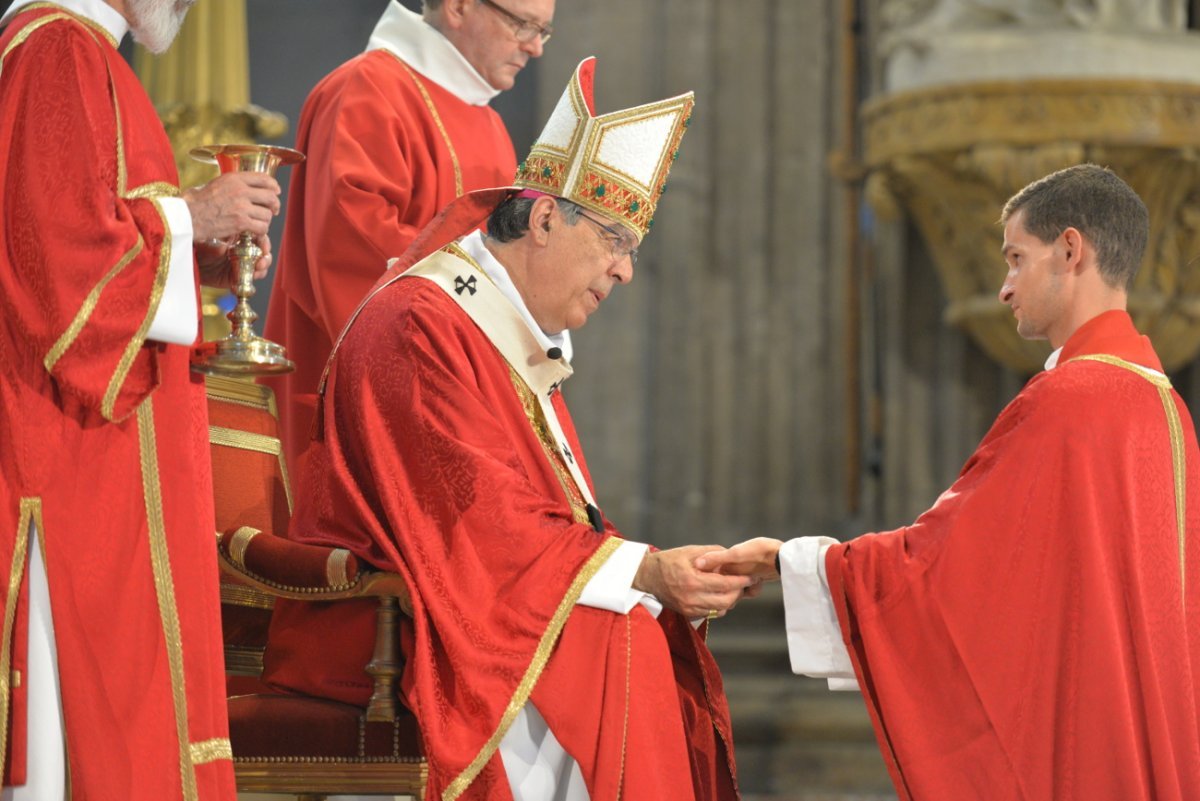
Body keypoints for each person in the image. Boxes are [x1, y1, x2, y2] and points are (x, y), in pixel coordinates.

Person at [261, 58, 748, 801]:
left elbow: (540, 522)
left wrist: (642, 575)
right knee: (621, 640)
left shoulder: (496, 332)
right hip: (387, 628)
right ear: (548, 217)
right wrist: (643, 570)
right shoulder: (421, 323)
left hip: (461, 600)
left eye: (633, 251)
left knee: (641, 631)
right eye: (616, 240)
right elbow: (474, 518)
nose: (624, 273)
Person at [697, 164, 1200, 800]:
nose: (1005, 288)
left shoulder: (1071, 398)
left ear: (1071, 250)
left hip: (1087, 757)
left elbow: (939, 571)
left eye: (1016, 259)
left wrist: (787, 560)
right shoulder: (1162, 405)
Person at [0, 0, 282, 798]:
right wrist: (192, 215)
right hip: (72, 458)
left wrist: (206, 259)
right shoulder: (57, 50)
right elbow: (55, 259)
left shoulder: (95, 58)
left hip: (113, 454)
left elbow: (109, 236)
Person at [264, 0, 552, 471]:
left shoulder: (489, 122)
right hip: (368, 393)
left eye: (545, 32)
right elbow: (350, 246)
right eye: (523, 25)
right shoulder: (367, 88)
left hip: (464, 387)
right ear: (458, 7)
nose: (535, 47)